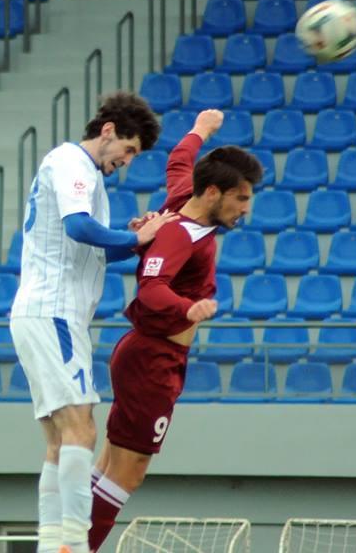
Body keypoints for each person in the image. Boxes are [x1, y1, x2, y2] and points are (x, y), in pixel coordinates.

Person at [88, 110, 263, 551]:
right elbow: (151, 290)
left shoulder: (185, 195)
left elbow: (179, 160)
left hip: (150, 356)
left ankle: (63, 540)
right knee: (128, 473)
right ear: (213, 192)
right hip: (152, 360)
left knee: (109, 466)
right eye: (241, 198)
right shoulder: (180, 235)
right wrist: (189, 308)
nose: (246, 209)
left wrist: (201, 129)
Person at [10, 91, 175, 553]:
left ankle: (52, 545)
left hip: (46, 314)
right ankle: (74, 543)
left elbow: (93, 249)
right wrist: (136, 237)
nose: (127, 161)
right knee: (81, 429)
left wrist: (134, 238)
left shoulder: (83, 175)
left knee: (60, 438)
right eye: (128, 149)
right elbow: (79, 228)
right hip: (54, 312)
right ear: (108, 131)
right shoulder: (72, 163)